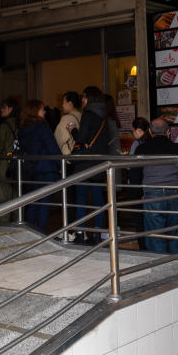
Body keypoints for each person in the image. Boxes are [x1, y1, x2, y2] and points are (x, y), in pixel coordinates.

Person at [133, 117, 178, 253]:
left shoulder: (142, 148)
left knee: (155, 236)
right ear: (168, 131)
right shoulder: (177, 148)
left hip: (152, 194)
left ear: (149, 131)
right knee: (175, 234)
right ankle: (177, 267)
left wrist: (138, 196)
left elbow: (135, 175)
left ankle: (159, 270)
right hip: (174, 192)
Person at [69, 86, 111, 244]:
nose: (82, 100)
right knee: (98, 199)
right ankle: (98, 233)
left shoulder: (88, 114)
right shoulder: (104, 116)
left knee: (81, 198)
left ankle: (80, 232)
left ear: (89, 98)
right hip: (99, 164)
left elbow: (81, 138)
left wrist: (73, 130)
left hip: (85, 164)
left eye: (84, 97)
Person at [18, 100, 62, 232]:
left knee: (32, 203)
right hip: (46, 170)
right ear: (35, 111)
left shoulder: (23, 129)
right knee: (44, 204)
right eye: (42, 109)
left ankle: (29, 232)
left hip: (30, 170)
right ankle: (40, 233)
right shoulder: (42, 126)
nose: (45, 111)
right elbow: (52, 148)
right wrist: (61, 164)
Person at [0, 98, 20, 221]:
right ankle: (17, 221)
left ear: (10, 109)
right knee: (17, 195)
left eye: (3, 107)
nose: (1, 109)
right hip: (18, 163)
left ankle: (3, 223)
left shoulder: (4, 126)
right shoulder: (21, 124)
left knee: (3, 196)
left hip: (5, 163)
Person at [54, 91, 82, 157]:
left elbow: (59, 138)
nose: (62, 105)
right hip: (80, 155)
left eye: (63, 102)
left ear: (70, 103)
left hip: (68, 157)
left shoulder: (66, 118)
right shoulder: (82, 116)